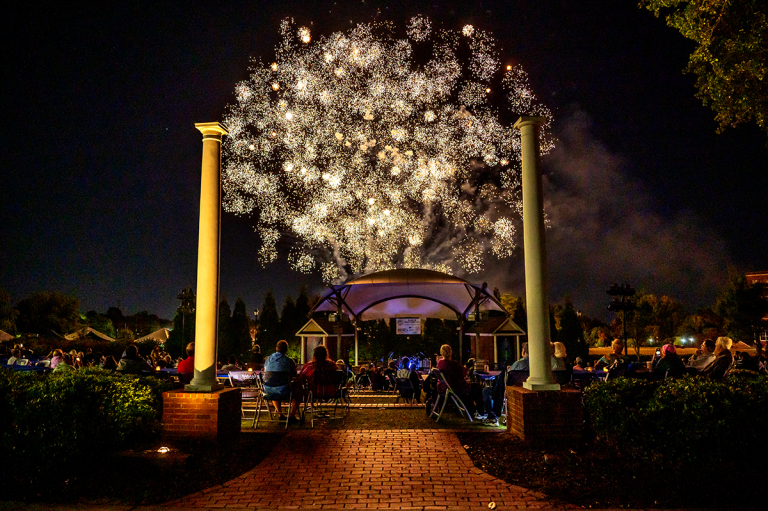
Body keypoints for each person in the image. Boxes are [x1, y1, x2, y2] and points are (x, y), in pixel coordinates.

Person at [288, 345, 339, 423]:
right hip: (331, 391)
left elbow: (300, 379)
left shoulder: (309, 366)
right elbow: (338, 377)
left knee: (297, 388)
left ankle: (292, 414)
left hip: (314, 392)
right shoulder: (332, 365)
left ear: (314, 355)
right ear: (326, 354)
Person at [436, 344, 484, 418]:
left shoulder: (440, 363)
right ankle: (480, 412)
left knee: (472, 389)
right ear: (451, 352)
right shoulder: (453, 364)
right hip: (457, 388)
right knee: (477, 388)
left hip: (445, 388)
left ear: (442, 353)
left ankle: (472, 410)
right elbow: (465, 372)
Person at [263, 340, 297, 420]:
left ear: (276, 348)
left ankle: (280, 413)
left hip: (267, 390)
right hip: (283, 390)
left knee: (274, 384)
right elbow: (294, 374)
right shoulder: (289, 361)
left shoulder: (268, 360)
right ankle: (291, 415)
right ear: (286, 349)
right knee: (298, 391)